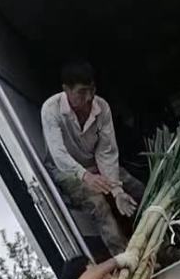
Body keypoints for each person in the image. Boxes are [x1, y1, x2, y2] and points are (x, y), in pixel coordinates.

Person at [41, 58, 144, 256]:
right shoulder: (51, 110)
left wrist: (117, 190)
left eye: (92, 89)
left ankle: (166, 248)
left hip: (95, 164)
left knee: (137, 190)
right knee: (98, 204)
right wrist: (86, 177)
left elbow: (106, 151)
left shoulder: (101, 107)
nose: (88, 97)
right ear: (67, 90)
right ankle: (125, 260)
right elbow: (59, 155)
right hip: (67, 170)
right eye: (81, 92)